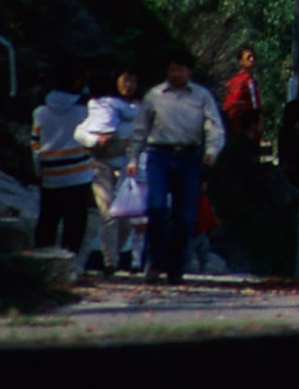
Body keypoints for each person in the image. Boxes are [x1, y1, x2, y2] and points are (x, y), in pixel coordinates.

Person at [130, 47, 224, 285]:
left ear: (189, 71)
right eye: (172, 68)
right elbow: (140, 129)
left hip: (188, 157)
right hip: (159, 155)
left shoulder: (201, 96)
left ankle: (176, 267)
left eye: (181, 69)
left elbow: (214, 126)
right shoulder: (154, 95)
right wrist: (133, 158)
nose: (176, 73)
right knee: (157, 208)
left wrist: (212, 151)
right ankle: (155, 262)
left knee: (184, 216)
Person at [76, 66, 142, 273]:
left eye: (132, 81)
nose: (128, 85)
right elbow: (79, 132)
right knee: (109, 213)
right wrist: (96, 140)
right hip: (101, 163)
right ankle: (110, 262)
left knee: (127, 220)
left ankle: (114, 253)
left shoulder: (143, 108)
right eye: (124, 80)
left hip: (128, 165)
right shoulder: (102, 107)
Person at [31, 58, 93, 256]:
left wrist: (38, 172)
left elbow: (35, 145)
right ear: (77, 81)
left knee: (47, 220)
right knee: (75, 223)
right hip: (80, 174)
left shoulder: (40, 112)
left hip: (51, 174)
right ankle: (69, 263)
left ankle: (41, 262)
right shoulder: (85, 111)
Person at [219, 44, 262, 164]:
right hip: (247, 129)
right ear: (240, 61)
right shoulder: (248, 81)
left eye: (253, 57)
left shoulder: (232, 82)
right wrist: (256, 123)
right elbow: (254, 106)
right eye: (248, 57)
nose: (252, 60)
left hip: (234, 129)